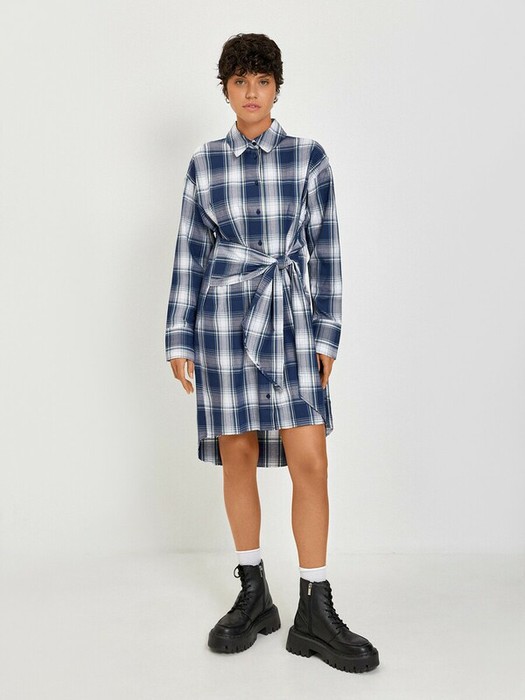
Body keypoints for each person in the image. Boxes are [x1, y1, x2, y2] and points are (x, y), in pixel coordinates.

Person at [165, 32, 379, 673]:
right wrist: (179, 335)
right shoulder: (205, 163)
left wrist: (326, 333)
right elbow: (189, 253)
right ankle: (253, 591)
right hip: (223, 320)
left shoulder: (309, 158)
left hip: (289, 318)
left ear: (277, 88)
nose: (251, 92)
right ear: (226, 90)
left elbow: (327, 251)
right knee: (236, 454)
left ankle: (315, 605)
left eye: (262, 81)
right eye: (240, 82)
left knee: (309, 457)